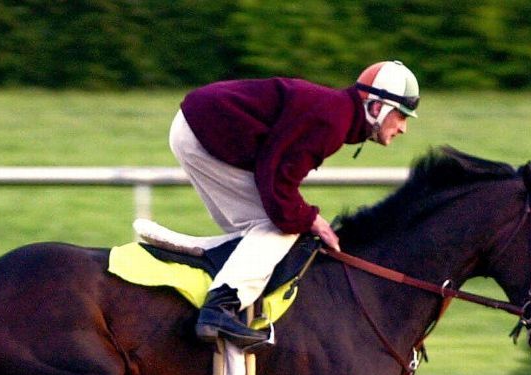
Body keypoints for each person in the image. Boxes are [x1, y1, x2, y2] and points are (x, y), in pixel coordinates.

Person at [168, 60, 419, 350]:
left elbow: (274, 176)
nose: (403, 128)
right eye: (401, 116)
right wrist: (311, 219)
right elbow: (276, 184)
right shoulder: (332, 122)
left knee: (264, 229)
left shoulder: (336, 115)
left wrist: (304, 217)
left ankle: (232, 299)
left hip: (196, 127)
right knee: (278, 227)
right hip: (202, 132)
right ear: (377, 108)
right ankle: (219, 308)